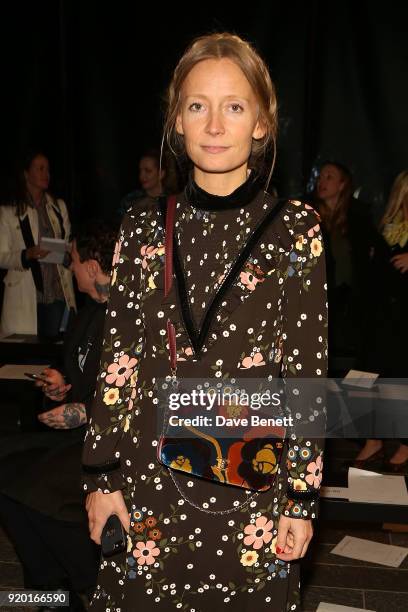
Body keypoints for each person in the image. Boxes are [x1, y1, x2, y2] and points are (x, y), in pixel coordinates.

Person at [83, 32, 327, 611]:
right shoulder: (142, 228)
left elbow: (307, 378)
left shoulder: (297, 230)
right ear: (177, 120)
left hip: (253, 499)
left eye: (234, 107)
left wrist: (300, 498)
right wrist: (100, 479)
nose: (215, 125)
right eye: (198, 106)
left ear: (262, 123)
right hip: (147, 490)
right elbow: (119, 365)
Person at [0, 220, 116, 609]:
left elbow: (137, 394)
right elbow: (79, 374)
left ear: (93, 267)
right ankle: (53, 591)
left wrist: (83, 411)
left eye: (74, 260)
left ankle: (86, 584)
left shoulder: (129, 320)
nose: (69, 268)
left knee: (36, 490)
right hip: (73, 433)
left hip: (106, 440)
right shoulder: (87, 314)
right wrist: (60, 383)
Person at [354, 170, 408, 472]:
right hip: (380, 318)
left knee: (399, 381)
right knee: (361, 379)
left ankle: (402, 444)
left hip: (403, 321)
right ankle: (372, 440)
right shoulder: (386, 228)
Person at [0, 151, 76, 337]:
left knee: (52, 357)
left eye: (48, 169)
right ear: (26, 174)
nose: (46, 174)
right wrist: (27, 254)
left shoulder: (58, 207)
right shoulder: (10, 211)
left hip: (57, 294)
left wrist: (66, 253)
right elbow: (1, 256)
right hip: (25, 295)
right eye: (40, 169)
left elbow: (68, 245)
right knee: (26, 359)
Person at [314, 161, 376, 370]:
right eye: (320, 176)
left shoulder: (359, 216)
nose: (321, 181)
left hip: (353, 300)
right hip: (320, 297)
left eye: (329, 177)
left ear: (342, 184)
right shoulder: (306, 215)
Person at [118, 147, 179, 217]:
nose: (142, 176)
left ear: (161, 174)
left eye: (148, 171)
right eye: (140, 170)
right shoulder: (129, 201)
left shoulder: (173, 200)